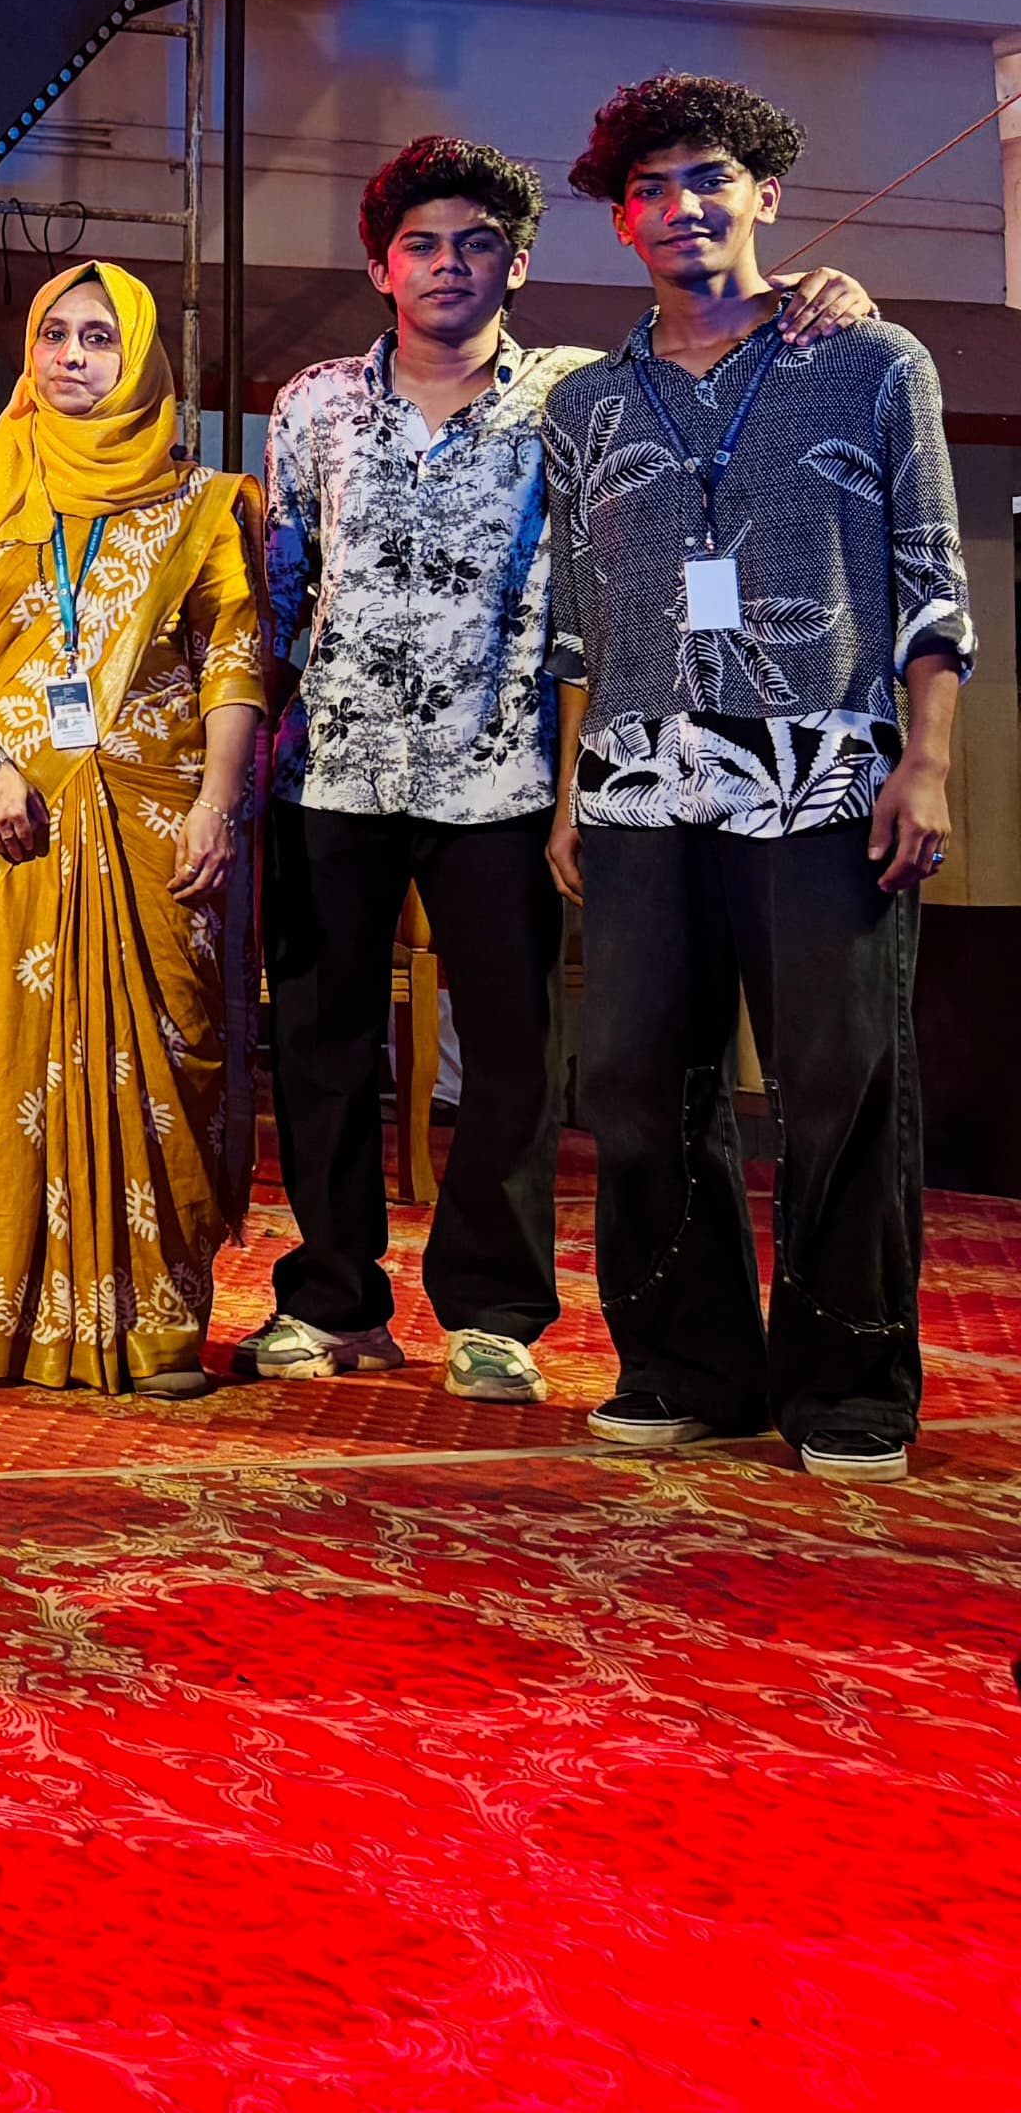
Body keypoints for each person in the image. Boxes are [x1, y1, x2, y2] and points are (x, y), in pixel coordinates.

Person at [240, 139, 876, 1404]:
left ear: (516, 264)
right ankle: (330, 1301)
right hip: (332, 772)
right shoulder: (308, 404)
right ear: (379, 267)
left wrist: (832, 297)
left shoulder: (575, 394)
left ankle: (490, 1312)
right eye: (419, 244)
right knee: (317, 1048)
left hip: (507, 775)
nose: (446, 265)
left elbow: (689, 419)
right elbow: (279, 591)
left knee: (514, 1055)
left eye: (475, 243)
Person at [546, 75, 970, 1486]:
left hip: (827, 779)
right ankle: (688, 1366)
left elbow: (930, 579)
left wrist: (929, 761)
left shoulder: (870, 358)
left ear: (766, 195)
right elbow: (576, 623)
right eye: (654, 188)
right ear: (622, 221)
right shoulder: (588, 400)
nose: (686, 207)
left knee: (839, 1079)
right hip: (637, 790)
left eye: (711, 178)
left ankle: (851, 1385)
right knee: (631, 1082)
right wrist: (570, 794)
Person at [0, 261, 265, 1398]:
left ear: (142, 359)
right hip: (0, 814)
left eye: (98, 339)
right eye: (53, 334)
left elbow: (235, 660)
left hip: (162, 822)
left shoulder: (208, 504)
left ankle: (151, 1321)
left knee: (164, 1062)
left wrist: (215, 803)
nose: (69, 355)